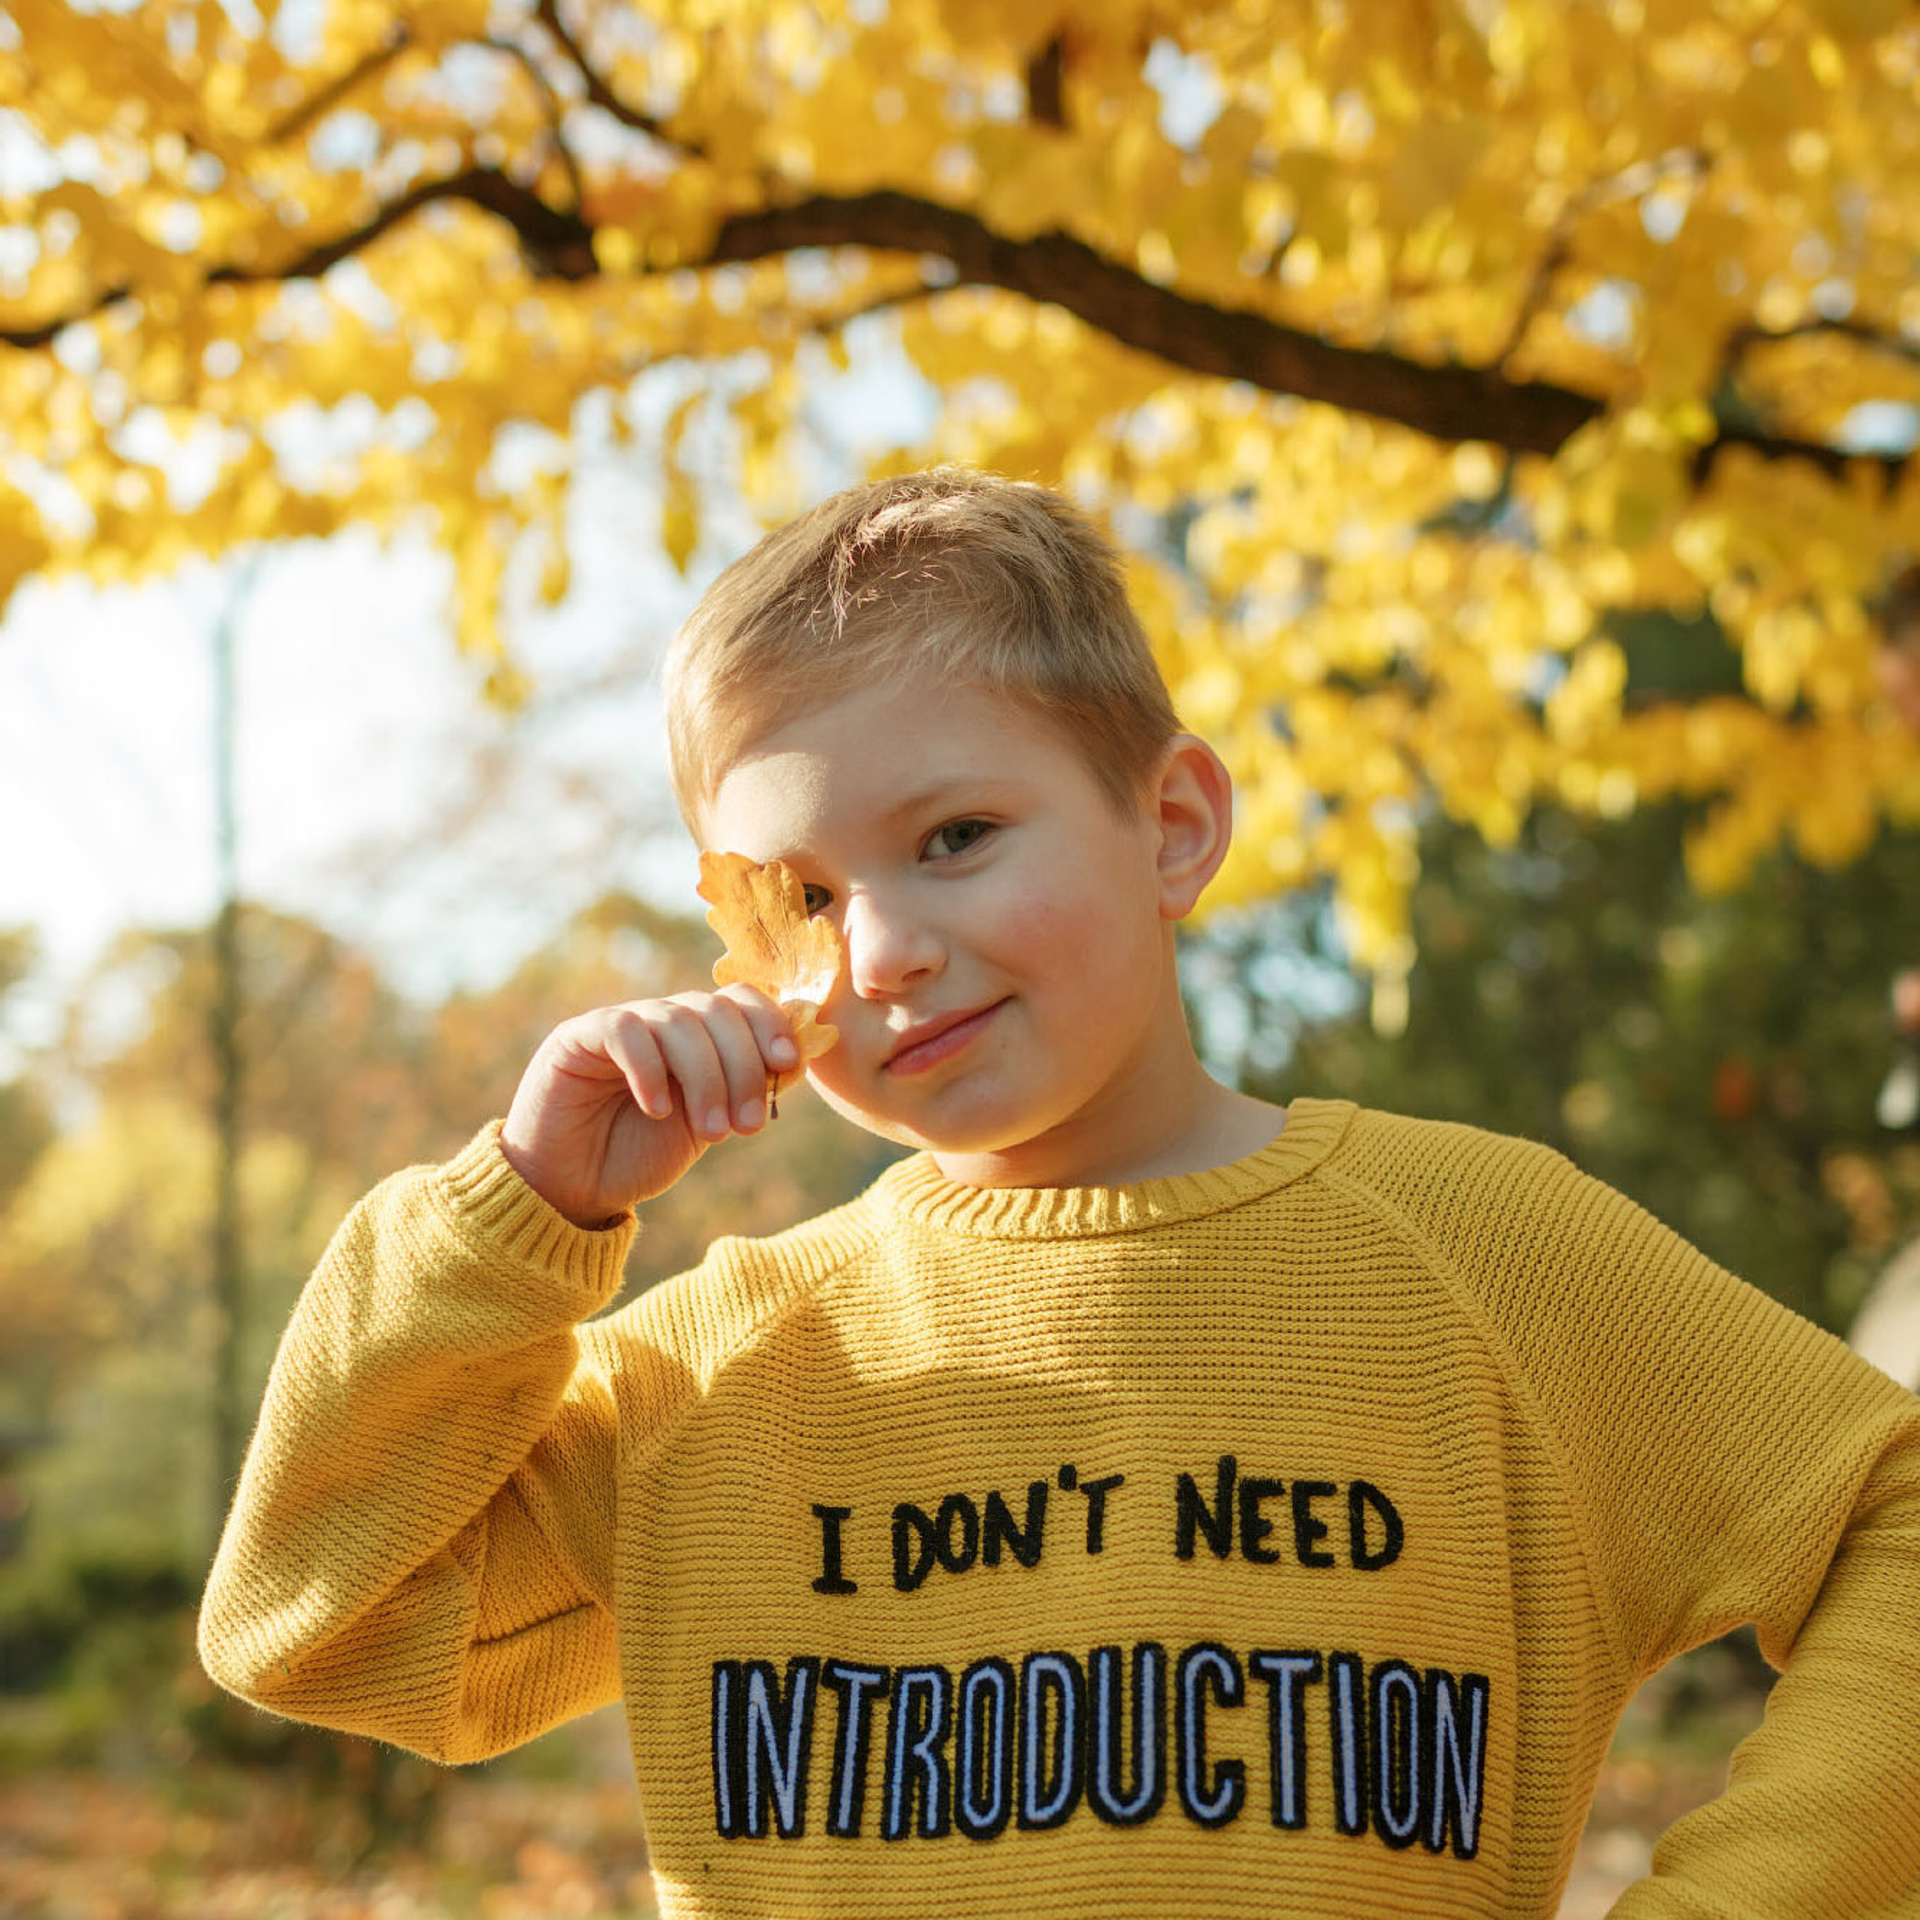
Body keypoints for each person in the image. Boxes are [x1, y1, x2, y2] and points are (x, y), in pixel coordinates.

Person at [200, 470, 1920, 1918]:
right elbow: (317, 1629)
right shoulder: (723, 1363)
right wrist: (509, 1218)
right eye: (800, 893)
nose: (881, 948)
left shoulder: (1487, 1253)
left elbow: (1895, 1521)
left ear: (1172, 824)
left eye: (954, 837)